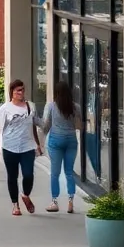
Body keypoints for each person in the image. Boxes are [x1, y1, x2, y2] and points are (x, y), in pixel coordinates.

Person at [0, 78, 43, 216]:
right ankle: (15, 205)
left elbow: (33, 126)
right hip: (10, 147)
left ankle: (25, 195)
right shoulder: (5, 108)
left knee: (28, 174)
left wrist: (37, 144)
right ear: (12, 92)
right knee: (12, 176)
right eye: (18, 90)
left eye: (22, 90)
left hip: (27, 146)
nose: (21, 93)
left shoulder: (30, 106)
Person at [42, 79, 81, 213]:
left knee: (55, 173)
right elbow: (79, 126)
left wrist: (36, 122)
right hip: (71, 140)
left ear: (56, 93)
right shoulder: (76, 107)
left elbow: (46, 125)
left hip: (56, 141)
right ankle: (70, 202)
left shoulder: (51, 106)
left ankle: (54, 202)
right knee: (69, 172)